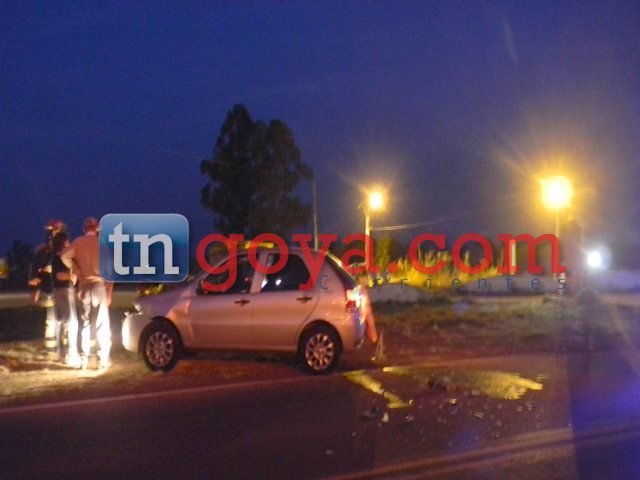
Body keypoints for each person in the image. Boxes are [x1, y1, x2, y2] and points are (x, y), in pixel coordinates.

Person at [61, 217, 112, 369]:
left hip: (84, 287)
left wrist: (75, 269)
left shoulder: (78, 242)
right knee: (102, 322)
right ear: (97, 229)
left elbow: (64, 255)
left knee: (86, 322)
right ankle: (103, 359)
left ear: (84, 229)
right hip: (99, 286)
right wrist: (109, 291)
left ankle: (85, 358)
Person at [28, 219, 67, 355]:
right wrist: (35, 288)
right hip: (49, 289)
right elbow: (35, 270)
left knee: (65, 319)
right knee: (51, 320)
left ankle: (64, 346)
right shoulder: (43, 251)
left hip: (62, 288)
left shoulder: (66, 250)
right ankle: (51, 348)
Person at [51, 232, 81, 366]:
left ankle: (60, 352)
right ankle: (72, 354)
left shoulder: (55, 257)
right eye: (67, 242)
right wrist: (71, 275)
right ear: (62, 243)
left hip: (58, 291)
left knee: (59, 321)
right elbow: (59, 275)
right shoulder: (59, 258)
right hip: (63, 290)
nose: (69, 244)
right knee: (72, 322)